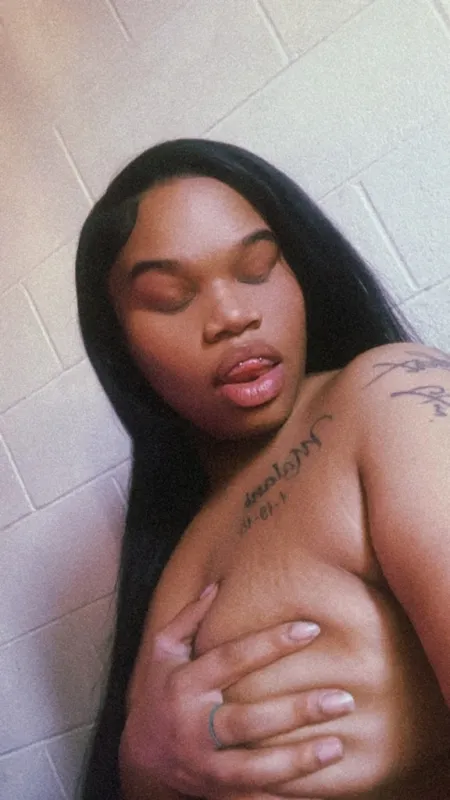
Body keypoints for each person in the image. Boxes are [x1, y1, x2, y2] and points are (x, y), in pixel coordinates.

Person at [75, 138, 450, 800]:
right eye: (168, 297)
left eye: (257, 268)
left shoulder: (386, 396)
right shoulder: (170, 555)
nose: (232, 316)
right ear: (121, 346)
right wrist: (143, 768)